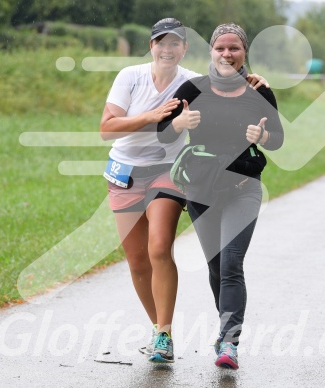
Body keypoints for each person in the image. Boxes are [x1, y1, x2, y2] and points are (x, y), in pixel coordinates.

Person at [99, 18, 268, 364]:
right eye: (161, 42)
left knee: (159, 247)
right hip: (125, 173)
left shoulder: (192, 81)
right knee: (136, 261)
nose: (168, 49)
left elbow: (227, 81)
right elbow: (107, 129)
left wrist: (255, 81)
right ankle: (161, 330)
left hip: (168, 172)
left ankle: (167, 336)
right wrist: (153, 116)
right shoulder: (129, 77)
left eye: (175, 43)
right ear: (151, 46)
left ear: (185, 49)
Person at [157, 23, 284, 370]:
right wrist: (179, 125)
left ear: (244, 52)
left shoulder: (258, 90)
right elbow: (163, 135)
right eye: (220, 48)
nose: (227, 54)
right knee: (216, 267)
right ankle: (224, 331)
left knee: (231, 264)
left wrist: (263, 135)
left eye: (234, 48)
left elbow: (279, 139)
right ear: (211, 51)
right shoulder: (192, 89)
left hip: (244, 188)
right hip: (201, 191)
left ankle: (229, 342)